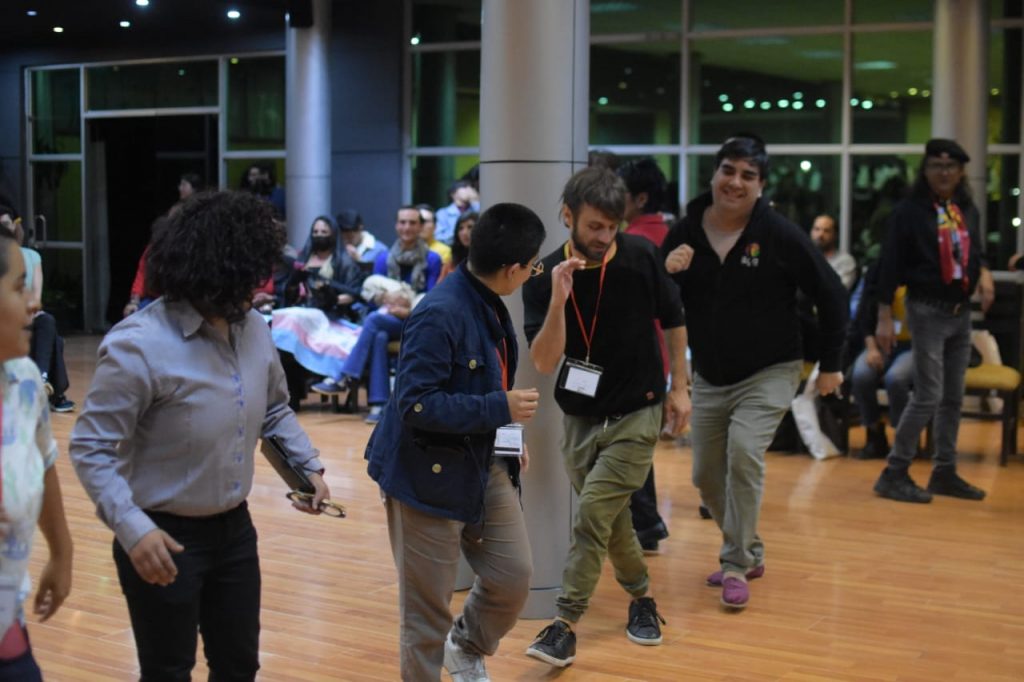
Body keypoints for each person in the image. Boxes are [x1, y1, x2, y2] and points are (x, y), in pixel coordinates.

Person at [70, 190, 331, 680]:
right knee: (168, 670)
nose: (257, 291)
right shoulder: (137, 345)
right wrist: (132, 528)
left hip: (235, 531)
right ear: (212, 273)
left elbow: (274, 408)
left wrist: (306, 468)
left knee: (239, 665)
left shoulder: (254, 328)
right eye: (247, 280)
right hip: (161, 534)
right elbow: (91, 447)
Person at [662, 135, 847, 610]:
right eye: (728, 170)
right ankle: (750, 549)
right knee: (706, 475)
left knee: (744, 453)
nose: (735, 182)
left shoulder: (779, 234)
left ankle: (735, 564)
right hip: (710, 374)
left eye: (748, 175)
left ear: (761, 185)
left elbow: (831, 293)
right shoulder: (684, 232)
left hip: (772, 368)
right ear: (714, 174)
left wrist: (832, 364)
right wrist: (668, 274)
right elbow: (660, 303)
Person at [365, 202, 545, 682]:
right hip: (423, 478)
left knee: (513, 576)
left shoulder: (487, 299)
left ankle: (465, 647)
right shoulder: (439, 313)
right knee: (426, 616)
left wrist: (506, 433)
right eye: (533, 267)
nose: (532, 274)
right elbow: (416, 405)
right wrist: (499, 409)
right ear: (512, 269)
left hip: (483, 460)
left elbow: (488, 381)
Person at [522, 167, 690, 667]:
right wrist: (559, 300)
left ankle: (564, 623)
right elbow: (545, 362)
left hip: (638, 408)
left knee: (593, 515)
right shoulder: (542, 275)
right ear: (568, 215)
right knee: (612, 519)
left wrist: (681, 387)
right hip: (580, 416)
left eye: (612, 227)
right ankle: (643, 600)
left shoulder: (639, 256)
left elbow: (674, 317)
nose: (604, 237)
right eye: (594, 226)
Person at [873, 139, 994, 503]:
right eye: (936, 166)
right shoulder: (909, 212)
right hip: (925, 309)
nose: (944, 173)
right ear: (925, 171)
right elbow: (889, 263)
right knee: (928, 395)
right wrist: (883, 316)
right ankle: (894, 472)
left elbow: (975, 251)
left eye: (950, 166)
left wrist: (985, 272)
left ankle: (944, 471)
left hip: (960, 312)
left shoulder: (965, 208)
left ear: (960, 172)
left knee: (953, 397)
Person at [0, 229, 73, 679]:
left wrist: (62, 552)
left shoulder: (25, 380)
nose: (33, 303)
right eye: (17, 287)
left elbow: (45, 461)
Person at [310, 206, 443, 423]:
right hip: (387, 319)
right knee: (379, 333)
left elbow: (431, 300)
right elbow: (372, 301)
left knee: (374, 322)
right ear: (396, 225)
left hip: (418, 321)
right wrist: (386, 300)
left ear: (420, 227)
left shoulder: (433, 259)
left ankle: (345, 377)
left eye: (412, 223)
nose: (407, 227)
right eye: (402, 222)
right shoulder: (384, 258)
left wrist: (406, 310)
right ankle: (379, 404)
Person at [617, 158, 672, 553]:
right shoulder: (670, 235)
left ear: (639, 198)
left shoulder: (633, 244)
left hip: (637, 353)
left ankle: (647, 521)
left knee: (629, 440)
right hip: (660, 353)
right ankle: (645, 522)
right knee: (634, 439)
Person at [0, 206, 74, 412]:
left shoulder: (30, 256)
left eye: (5, 224)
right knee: (53, 338)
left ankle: (41, 382)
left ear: (15, 226)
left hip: (25, 316)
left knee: (46, 321)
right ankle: (55, 393)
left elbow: (35, 296)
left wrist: (28, 311)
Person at [849, 264, 913, 459]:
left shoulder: (921, 271)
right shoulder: (878, 272)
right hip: (879, 344)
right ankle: (874, 432)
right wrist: (871, 349)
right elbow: (864, 316)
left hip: (913, 346)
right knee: (861, 374)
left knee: (895, 378)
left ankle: (902, 437)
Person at [293, 215, 366, 319]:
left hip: (334, 315)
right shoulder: (303, 259)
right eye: (315, 232)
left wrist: (333, 300)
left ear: (333, 234)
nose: (319, 235)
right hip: (302, 312)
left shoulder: (344, 262)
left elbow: (354, 293)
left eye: (324, 232)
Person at [810, 214, 858, 291]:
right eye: (817, 229)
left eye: (826, 231)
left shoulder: (845, 261)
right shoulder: (806, 257)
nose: (820, 234)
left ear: (835, 235)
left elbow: (838, 291)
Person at [434, 180, 480, 246]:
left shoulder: (477, 207)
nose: (469, 190)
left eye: (470, 187)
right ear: (453, 194)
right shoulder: (443, 213)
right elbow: (438, 237)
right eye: (464, 187)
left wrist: (475, 199)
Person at [438, 210, 476, 282]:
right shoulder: (451, 262)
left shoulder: (486, 261)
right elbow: (439, 286)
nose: (464, 233)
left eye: (470, 227)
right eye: (461, 228)